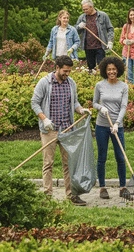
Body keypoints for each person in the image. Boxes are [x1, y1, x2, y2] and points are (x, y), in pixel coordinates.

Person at [31, 55, 90, 206]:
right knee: (48, 163)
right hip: (50, 130)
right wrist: (44, 119)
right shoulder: (44, 82)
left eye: (69, 71)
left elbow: (74, 102)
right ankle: (47, 196)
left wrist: (81, 110)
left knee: (68, 164)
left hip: (67, 129)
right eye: (65, 71)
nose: (67, 74)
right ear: (57, 68)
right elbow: (35, 103)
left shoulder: (71, 83)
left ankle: (71, 195)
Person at [93, 56, 129, 199]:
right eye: (109, 69)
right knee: (102, 157)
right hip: (102, 125)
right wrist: (101, 108)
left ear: (118, 70)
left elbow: (124, 106)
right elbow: (94, 103)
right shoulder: (99, 85)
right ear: (105, 71)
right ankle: (102, 187)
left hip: (117, 126)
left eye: (114, 69)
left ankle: (123, 187)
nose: (111, 72)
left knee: (120, 157)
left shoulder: (123, 86)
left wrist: (117, 123)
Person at [75, 0, 114, 72]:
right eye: (83, 9)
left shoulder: (103, 15)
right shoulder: (82, 17)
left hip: (100, 46)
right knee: (91, 69)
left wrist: (110, 41)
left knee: (102, 67)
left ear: (91, 7)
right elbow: (75, 31)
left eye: (86, 9)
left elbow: (110, 29)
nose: (84, 11)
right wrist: (79, 27)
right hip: (88, 47)